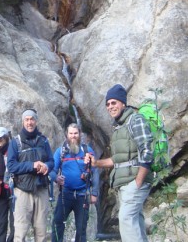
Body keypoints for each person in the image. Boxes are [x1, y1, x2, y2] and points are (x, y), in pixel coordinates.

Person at [85, 84, 154, 242]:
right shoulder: (118, 128)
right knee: (135, 222)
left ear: (123, 103)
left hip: (134, 182)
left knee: (126, 219)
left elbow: (147, 150)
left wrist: (138, 181)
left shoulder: (135, 120)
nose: (110, 107)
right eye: (108, 104)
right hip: (124, 184)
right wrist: (96, 163)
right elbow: (117, 160)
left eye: (114, 102)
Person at [7, 109, 54, 242]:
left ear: (36, 121)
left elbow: (52, 161)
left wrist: (47, 166)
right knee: (20, 233)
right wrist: (32, 165)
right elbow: (11, 166)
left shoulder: (43, 141)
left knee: (41, 233)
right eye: (27, 120)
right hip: (22, 191)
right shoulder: (15, 143)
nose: (29, 122)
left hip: (41, 190)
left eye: (32, 119)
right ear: (23, 122)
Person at [50, 123, 99, 242]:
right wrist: (56, 178)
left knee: (81, 228)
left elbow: (95, 171)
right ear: (67, 134)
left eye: (75, 133)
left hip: (83, 195)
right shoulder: (60, 151)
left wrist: (94, 193)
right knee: (57, 223)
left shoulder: (87, 150)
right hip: (65, 194)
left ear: (80, 134)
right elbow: (51, 170)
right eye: (71, 133)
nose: (73, 136)